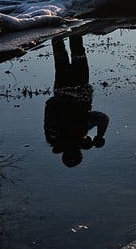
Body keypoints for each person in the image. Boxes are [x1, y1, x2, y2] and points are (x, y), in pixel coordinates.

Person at [44, 34, 109, 167]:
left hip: (80, 86)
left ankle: (74, 27)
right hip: (62, 88)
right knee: (60, 54)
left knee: (78, 51)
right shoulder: (54, 136)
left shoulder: (80, 130)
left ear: (79, 152)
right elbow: (49, 106)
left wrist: (100, 136)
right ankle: (55, 25)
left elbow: (103, 118)